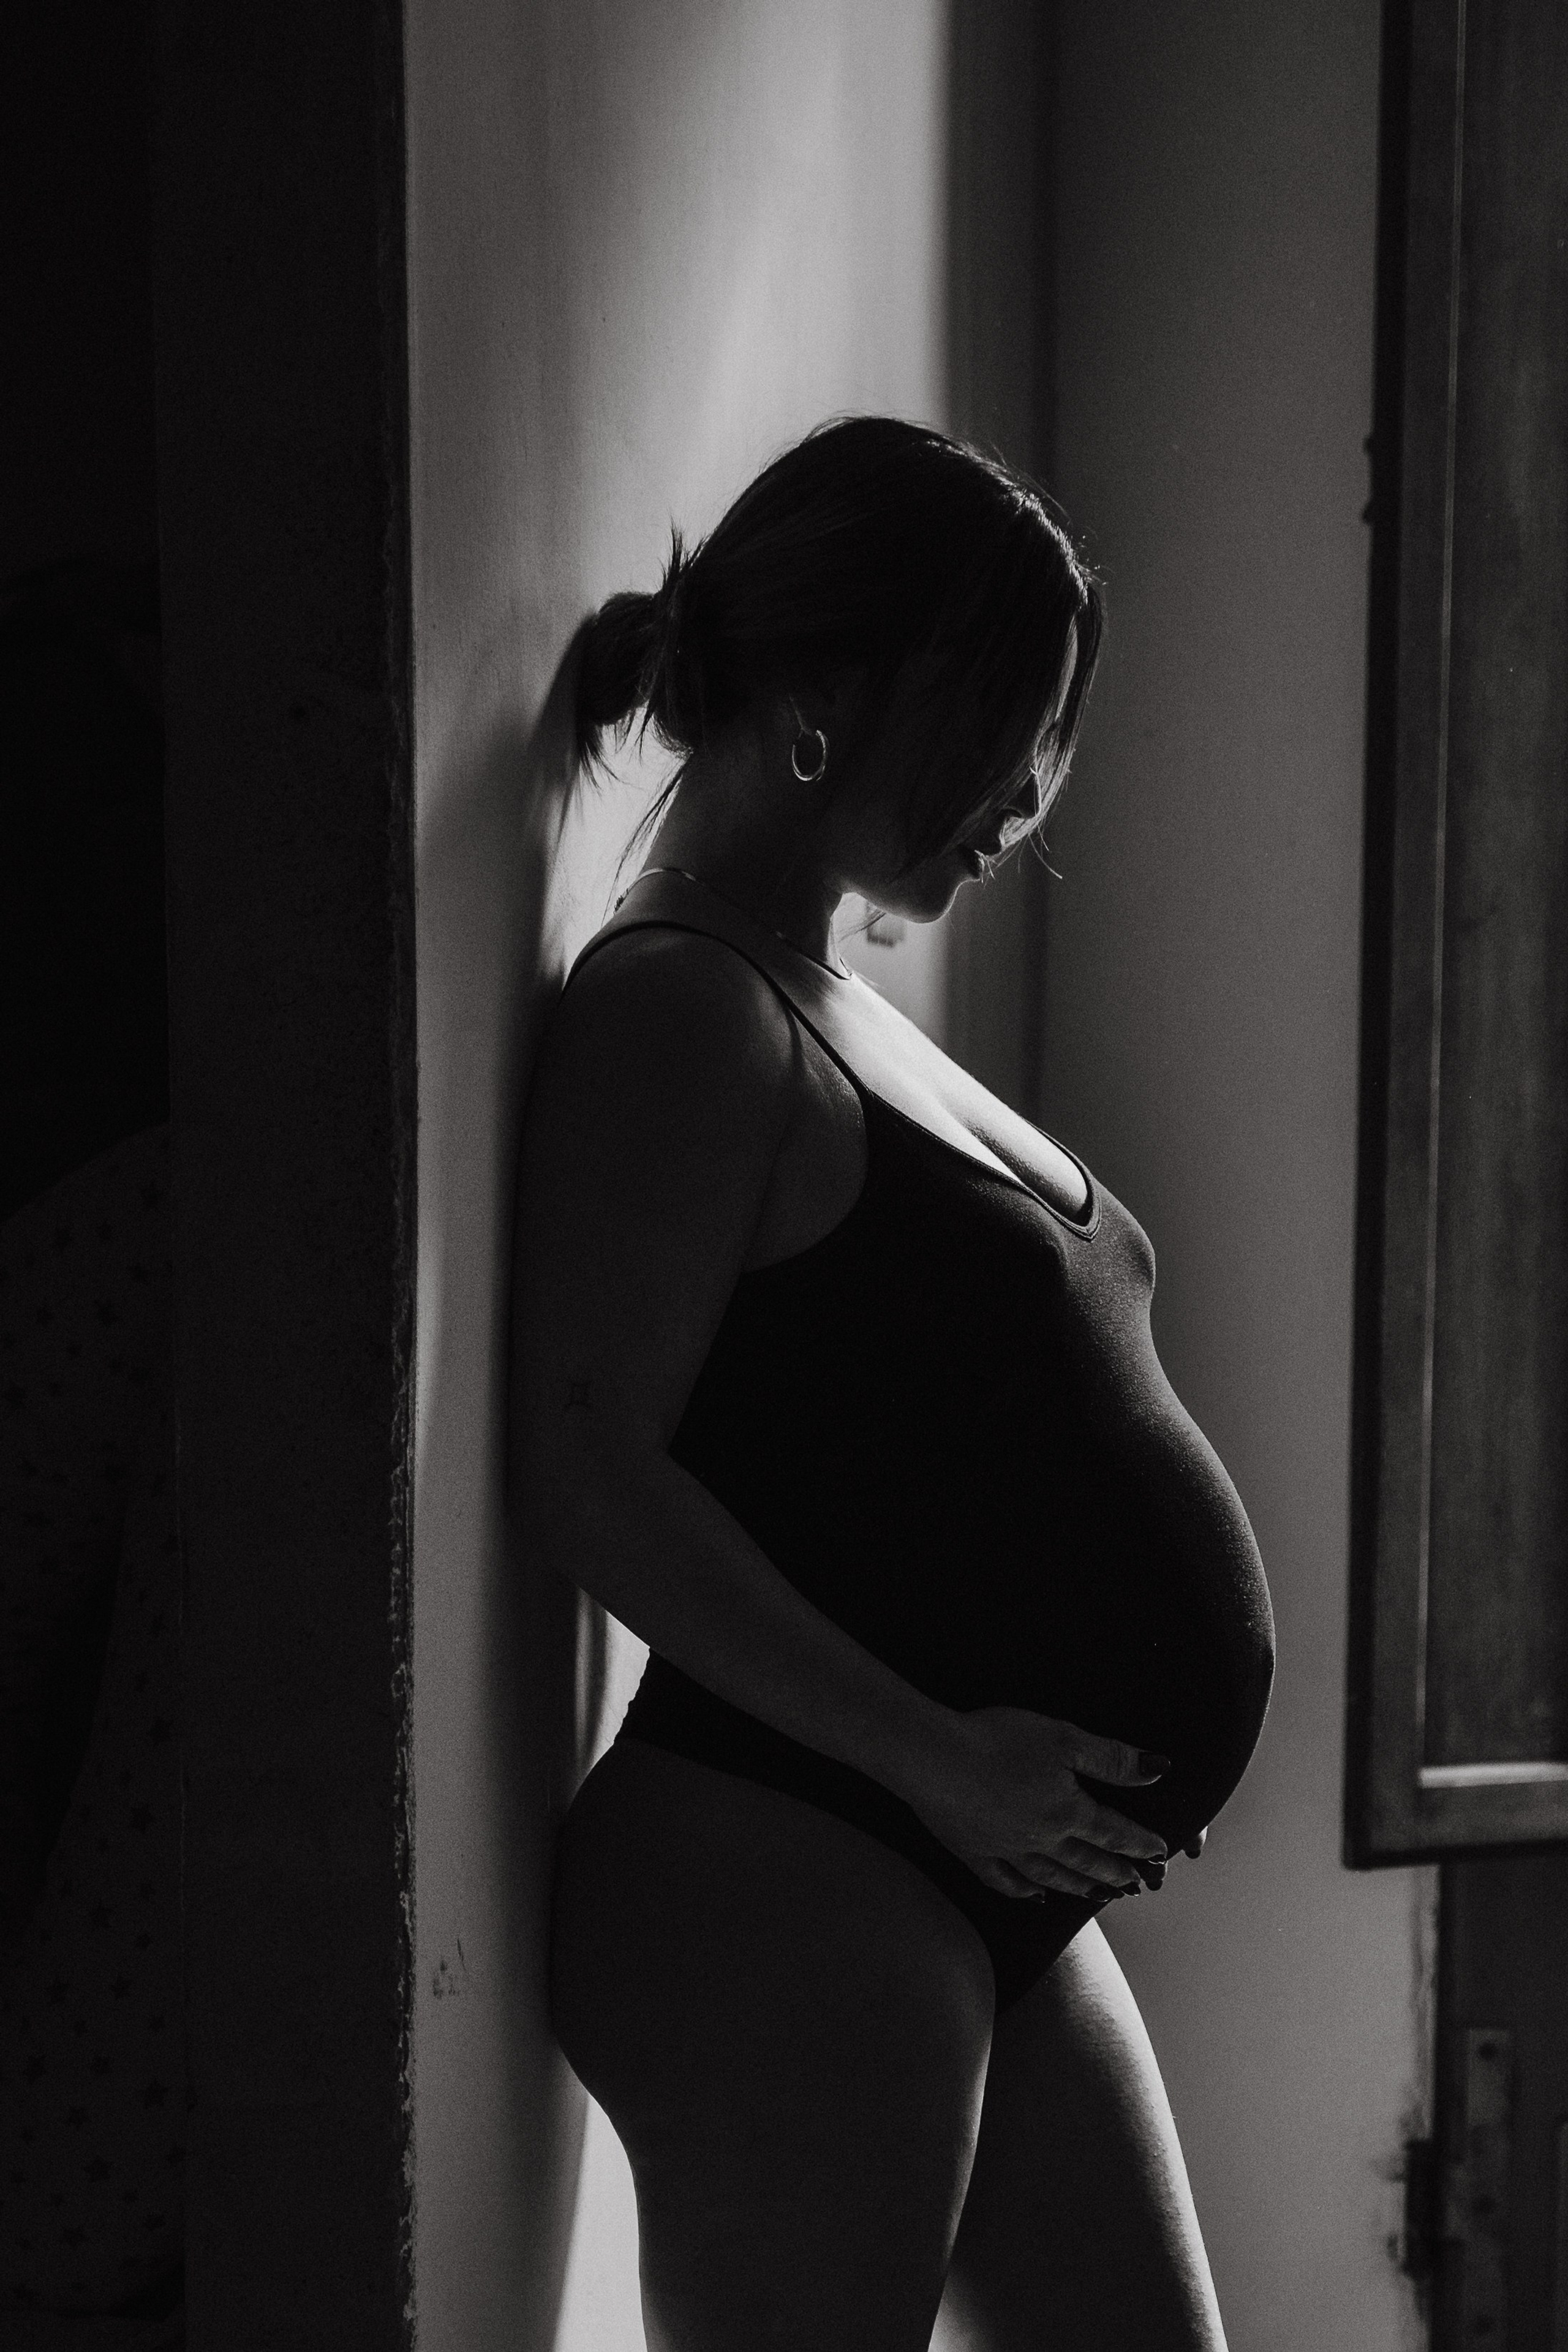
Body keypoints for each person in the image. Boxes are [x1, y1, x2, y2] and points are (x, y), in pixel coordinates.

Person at [509, 417, 1275, 2350]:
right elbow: (590, 1465)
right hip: (803, 1856)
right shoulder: (683, 1005)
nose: (1027, 797)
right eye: (1002, 726)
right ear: (829, 698)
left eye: (1051, 737)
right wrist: (942, 1756)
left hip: (955, 1862)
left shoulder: (818, 993)